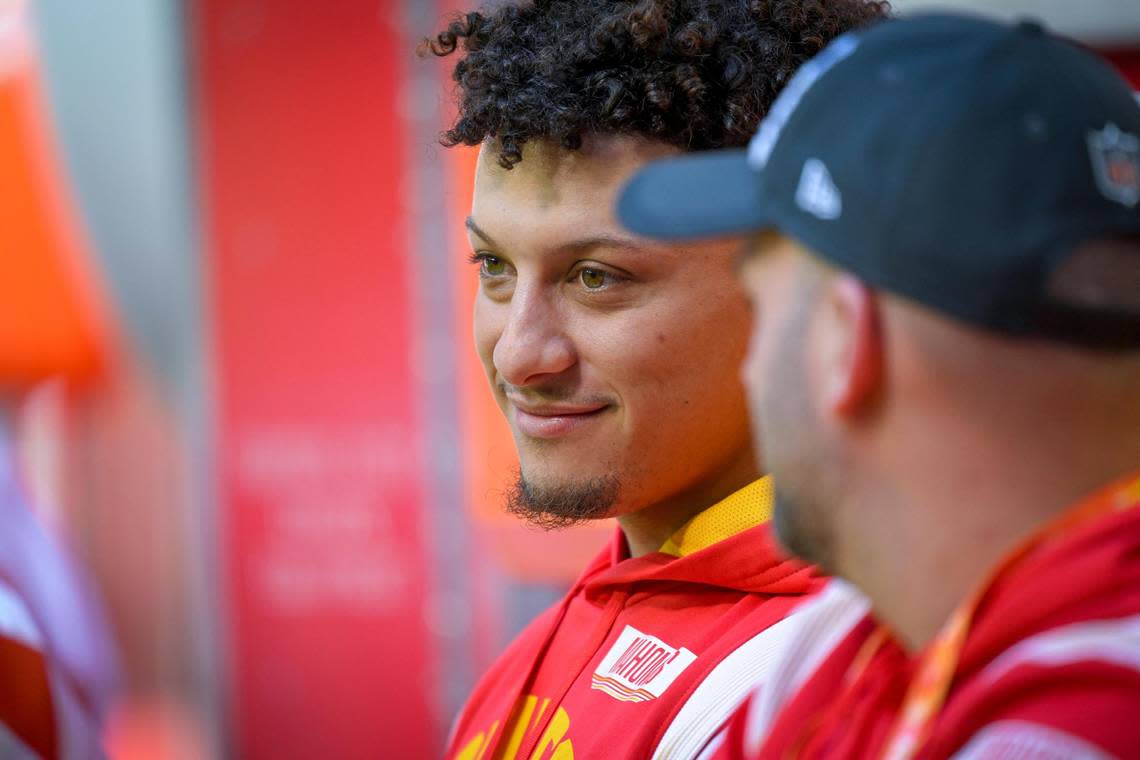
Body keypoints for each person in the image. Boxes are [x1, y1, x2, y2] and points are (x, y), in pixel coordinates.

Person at [618, 12, 1140, 759]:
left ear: (843, 338)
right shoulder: (859, 638)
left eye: (761, 308)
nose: (750, 370)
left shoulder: (1073, 727)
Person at [424, 0, 887, 757]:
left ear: (794, 285)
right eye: (495, 268)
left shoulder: (836, 685)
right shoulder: (563, 632)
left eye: (596, 277)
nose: (518, 354)